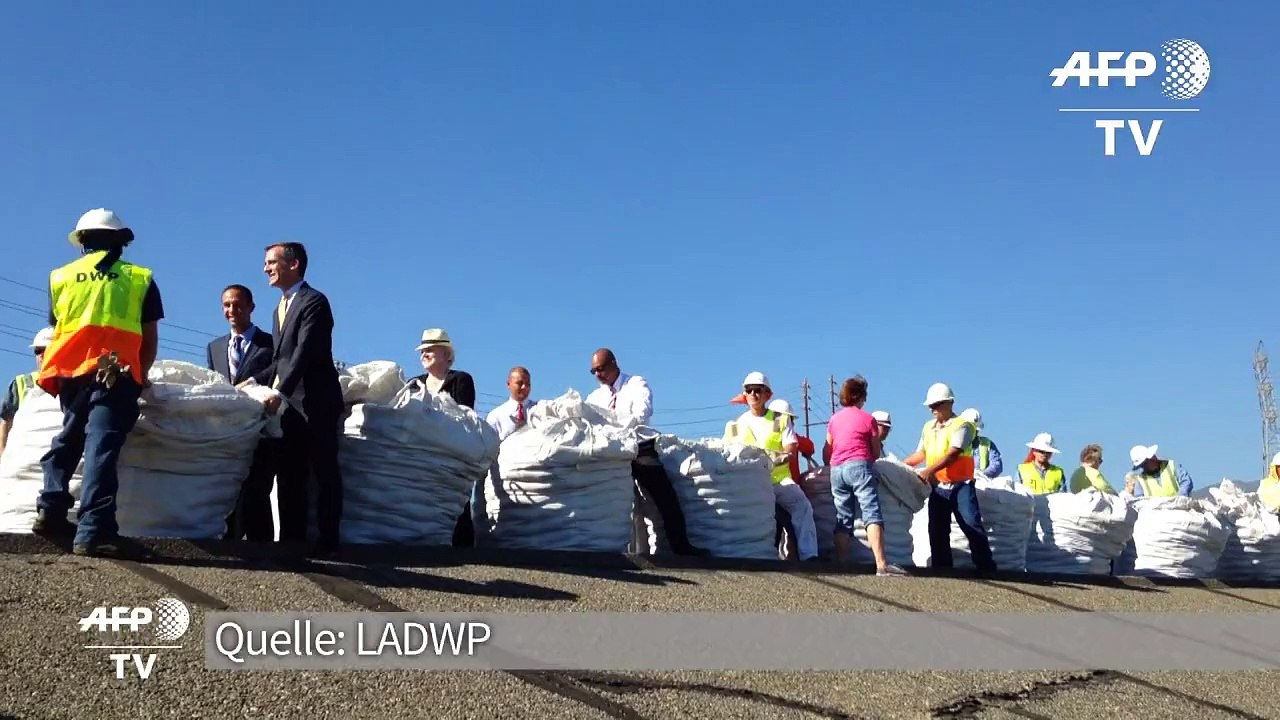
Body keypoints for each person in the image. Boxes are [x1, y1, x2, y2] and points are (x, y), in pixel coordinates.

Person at [33, 209, 162, 558]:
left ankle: (52, 507)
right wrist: (141, 373)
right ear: (120, 243)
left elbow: (59, 325)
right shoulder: (139, 278)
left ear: (83, 243)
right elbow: (149, 338)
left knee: (69, 438)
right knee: (100, 448)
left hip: (70, 373)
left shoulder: (60, 277)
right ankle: (94, 530)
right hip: (115, 373)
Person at [261, 241, 344, 557]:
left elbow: (305, 352)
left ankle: (328, 540)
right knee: (289, 472)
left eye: (271, 261)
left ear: (293, 265)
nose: (265, 268)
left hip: (316, 400)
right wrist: (253, 383)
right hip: (290, 406)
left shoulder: (314, 302)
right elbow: (279, 360)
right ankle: (292, 541)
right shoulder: (279, 308)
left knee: (324, 469)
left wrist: (279, 392)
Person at [586, 348, 704, 556]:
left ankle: (681, 546)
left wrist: (614, 426)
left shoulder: (636, 384)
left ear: (614, 363)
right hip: (612, 450)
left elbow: (642, 413)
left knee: (663, 494)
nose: (597, 375)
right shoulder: (595, 397)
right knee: (611, 498)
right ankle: (615, 549)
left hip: (639, 445)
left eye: (601, 369)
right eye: (593, 371)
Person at [902, 383, 997, 575]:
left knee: (971, 525)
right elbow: (921, 453)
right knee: (937, 530)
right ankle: (942, 570)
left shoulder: (962, 425)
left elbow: (953, 454)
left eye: (936, 405)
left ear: (949, 403)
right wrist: (900, 466)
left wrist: (928, 471)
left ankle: (986, 567)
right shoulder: (928, 427)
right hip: (938, 487)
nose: (932, 409)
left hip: (961, 485)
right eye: (931, 406)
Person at [724, 371, 819, 562]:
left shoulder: (780, 420)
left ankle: (810, 556)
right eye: (749, 390)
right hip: (751, 483)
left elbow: (790, 450)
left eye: (757, 390)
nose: (753, 394)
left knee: (802, 506)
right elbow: (726, 455)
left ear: (768, 394)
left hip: (778, 481)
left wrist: (776, 459)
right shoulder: (735, 425)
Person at [206, 284, 276, 541]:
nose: (231, 310)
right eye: (226, 305)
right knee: (229, 489)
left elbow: (276, 379)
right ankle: (230, 544)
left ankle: (263, 548)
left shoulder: (270, 345)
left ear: (250, 307)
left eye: (237, 304)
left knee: (258, 489)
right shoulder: (214, 348)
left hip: (261, 429)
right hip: (228, 434)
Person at [822, 376, 906, 575]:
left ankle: (842, 564)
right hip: (859, 466)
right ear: (859, 396)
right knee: (871, 512)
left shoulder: (834, 419)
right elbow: (876, 452)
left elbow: (827, 451)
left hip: (837, 469)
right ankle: (881, 564)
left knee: (843, 517)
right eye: (864, 396)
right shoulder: (868, 419)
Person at [0, 327, 53, 459]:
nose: (41, 355)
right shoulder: (20, 383)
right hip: (23, 457)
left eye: (45, 349)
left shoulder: (74, 383)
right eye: (37, 351)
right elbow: (6, 424)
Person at [409, 329, 475, 409]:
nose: (424, 355)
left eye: (429, 350)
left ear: (447, 354)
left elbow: (465, 417)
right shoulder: (413, 383)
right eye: (422, 352)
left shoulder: (460, 380)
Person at [1123, 444, 1193, 497]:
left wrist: (1179, 498)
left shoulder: (1172, 466)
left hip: (1179, 509)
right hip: (1155, 514)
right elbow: (1140, 500)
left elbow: (1186, 482)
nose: (1143, 467)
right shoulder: (1141, 481)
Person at [486, 366, 533, 442]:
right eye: (520, 383)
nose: (524, 387)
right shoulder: (495, 416)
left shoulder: (540, 411)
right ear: (509, 384)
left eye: (528, 384)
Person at [959, 408, 1003, 478]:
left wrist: (981, 475)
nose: (974, 432)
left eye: (976, 431)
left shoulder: (987, 444)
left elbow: (997, 465)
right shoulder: (954, 443)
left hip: (982, 484)